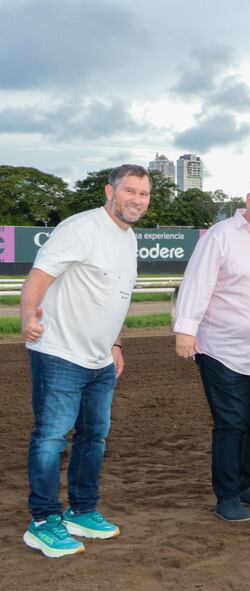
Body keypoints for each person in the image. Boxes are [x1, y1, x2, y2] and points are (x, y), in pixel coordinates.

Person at [20, 164, 149, 557]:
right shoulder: (81, 228)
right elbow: (39, 275)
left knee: (94, 437)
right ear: (109, 192)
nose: (137, 200)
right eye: (130, 191)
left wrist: (116, 344)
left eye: (144, 194)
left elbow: (115, 296)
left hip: (100, 360)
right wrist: (27, 315)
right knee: (51, 437)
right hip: (60, 352)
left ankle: (82, 510)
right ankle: (42, 522)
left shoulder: (128, 238)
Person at [174, 174, 250, 522]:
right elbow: (197, 282)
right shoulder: (221, 235)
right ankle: (226, 496)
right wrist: (186, 330)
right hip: (221, 348)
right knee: (230, 422)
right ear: (249, 197)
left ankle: (247, 486)